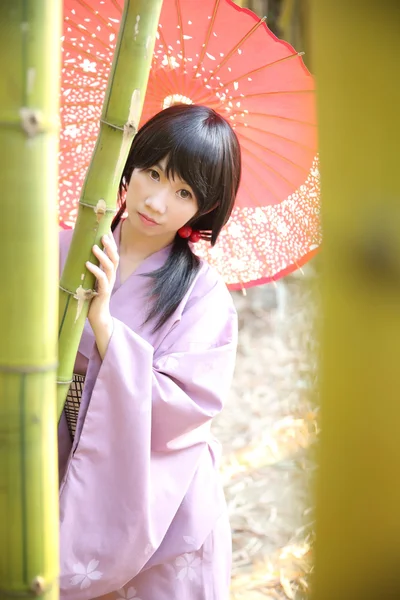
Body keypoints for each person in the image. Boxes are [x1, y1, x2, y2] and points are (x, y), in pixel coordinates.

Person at [58, 103, 241, 600]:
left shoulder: (204, 296)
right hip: (48, 457)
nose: (158, 202)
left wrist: (106, 329)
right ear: (130, 164)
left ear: (205, 207)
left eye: (184, 192)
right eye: (153, 173)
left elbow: (186, 405)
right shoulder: (61, 249)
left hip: (161, 500)